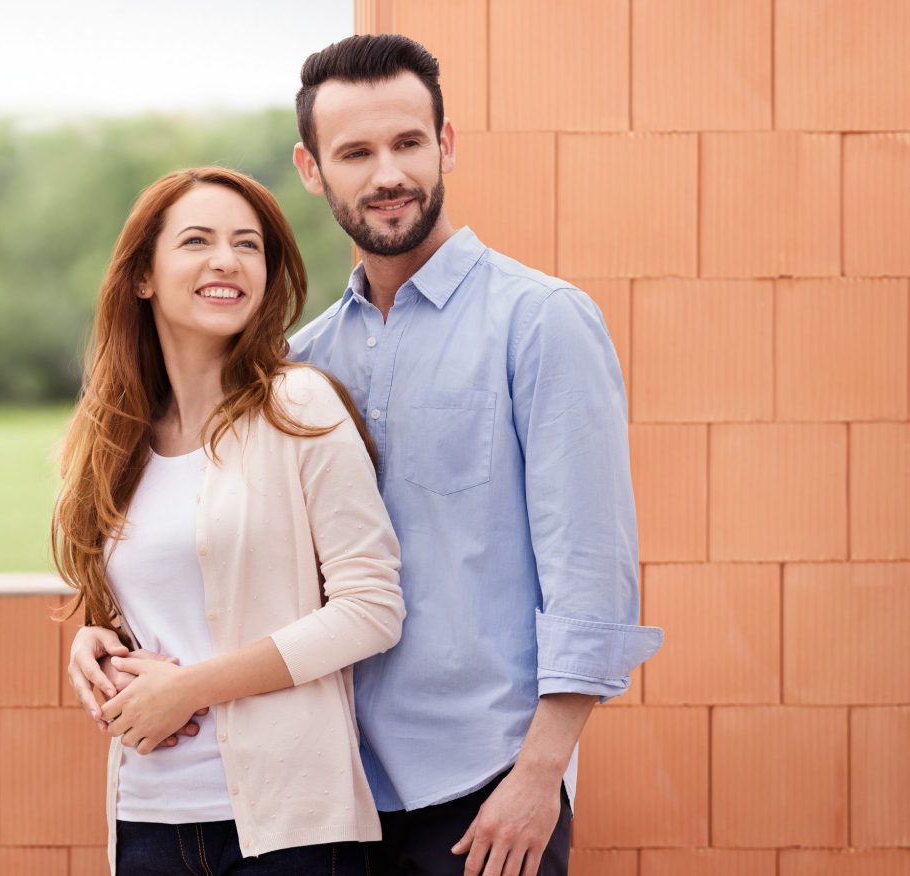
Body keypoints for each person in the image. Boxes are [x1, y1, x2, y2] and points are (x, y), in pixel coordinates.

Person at [71, 35, 664, 876]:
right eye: (355, 152)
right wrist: (99, 636)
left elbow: (591, 572)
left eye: (407, 143)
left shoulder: (539, 322)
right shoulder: (302, 363)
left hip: (481, 783)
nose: (387, 174)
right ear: (312, 170)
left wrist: (540, 775)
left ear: (444, 144)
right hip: (333, 788)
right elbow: (225, 554)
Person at [53, 166, 405, 875]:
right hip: (149, 820)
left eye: (248, 245)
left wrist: (190, 689)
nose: (226, 260)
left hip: (291, 830)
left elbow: (372, 608)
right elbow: (152, 605)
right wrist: (95, 643)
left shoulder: (298, 407)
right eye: (196, 241)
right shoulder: (109, 440)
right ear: (142, 276)